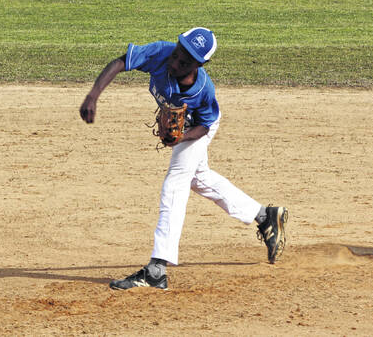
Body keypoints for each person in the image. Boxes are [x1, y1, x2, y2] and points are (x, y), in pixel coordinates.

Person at [79, 27, 288, 290]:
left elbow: (204, 126)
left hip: (200, 128)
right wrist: (93, 96)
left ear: (200, 64)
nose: (176, 61)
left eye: (185, 60)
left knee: (176, 181)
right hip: (190, 128)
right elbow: (121, 61)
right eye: (179, 52)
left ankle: (157, 268)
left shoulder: (203, 90)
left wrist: (180, 137)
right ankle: (264, 216)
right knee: (198, 178)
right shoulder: (160, 53)